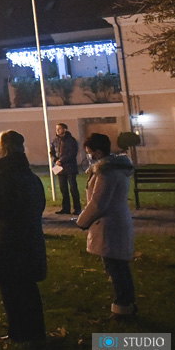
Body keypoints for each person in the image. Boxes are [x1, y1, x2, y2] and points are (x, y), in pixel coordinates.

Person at [0, 129, 47, 344]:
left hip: (11, 240)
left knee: (11, 290)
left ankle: (18, 334)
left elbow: (1, 209)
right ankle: (35, 332)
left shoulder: (5, 176)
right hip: (29, 237)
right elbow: (39, 204)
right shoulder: (29, 175)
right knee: (28, 289)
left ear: (5, 149)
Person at [77, 133, 137, 318]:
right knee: (119, 265)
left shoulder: (106, 172)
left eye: (90, 152)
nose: (89, 156)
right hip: (116, 221)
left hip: (109, 224)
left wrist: (82, 222)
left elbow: (98, 202)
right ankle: (127, 302)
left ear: (98, 151)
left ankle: (123, 305)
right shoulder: (115, 168)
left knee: (114, 266)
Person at [50, 123, 81, 215]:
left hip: (70, 167)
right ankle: (65, 208)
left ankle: (77, 208)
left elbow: (72, 153)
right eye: (56, 129)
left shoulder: (71, 141)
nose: (57, 130)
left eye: (59, 128)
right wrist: (55, 160)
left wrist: (61, 160)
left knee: (73, 188)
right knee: (63, 188)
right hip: (59, 168)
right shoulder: (55, 141)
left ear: (65, 129)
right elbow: (52, 152)